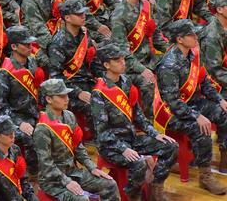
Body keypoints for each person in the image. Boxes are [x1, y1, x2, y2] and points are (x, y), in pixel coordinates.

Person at [92, 42, 178, 201]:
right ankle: (133, 195)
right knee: (139, 163)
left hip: (130, 138)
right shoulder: (99, 92)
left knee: (170, 146)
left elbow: (138, 115)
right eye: (117, 60)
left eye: (123, 59)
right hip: (111, 146)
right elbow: (102, 133)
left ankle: (156, 188)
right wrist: (123, 148)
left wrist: (155, 134)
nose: (122, 62)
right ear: (106, 65)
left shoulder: (126, 81)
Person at [155, 19, 227, 194]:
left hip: (191, 103)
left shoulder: (193, 54)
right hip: (172, 112)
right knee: (201, 128)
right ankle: (205, 175)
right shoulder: (169, 64)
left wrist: (220, 100)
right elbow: (172, 102)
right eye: (191, 34)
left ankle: (224, 156)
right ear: (179, 39)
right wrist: (197, 116)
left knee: (223, 113)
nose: (196, 37)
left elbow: (205, 83)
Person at [33, 78, 120, 201]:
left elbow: (78, 146)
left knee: (110, 184)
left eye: (67, 95)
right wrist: (67, 181)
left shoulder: (69, 116)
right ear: (49, 99)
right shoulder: (42, 127)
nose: (67, 99)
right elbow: (46, 164)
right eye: (61, 96)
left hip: (72, 172)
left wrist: (92, 167)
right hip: (53, 180)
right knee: (81, 199)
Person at [0, 26, 42, 173]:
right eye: (25, 44)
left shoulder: (32, 62)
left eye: (30, 44)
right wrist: (19, 123)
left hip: (35, 114)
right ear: (14, 47)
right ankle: (32, 176)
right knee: (30, 138)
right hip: (16, 118)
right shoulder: (5, 72)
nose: (30, 47)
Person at [0, 116, 37, 201]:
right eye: (8, 134)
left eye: (13, 132)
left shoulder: (15, 149)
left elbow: (22, 180)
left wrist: (32, 197)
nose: (12, 136)